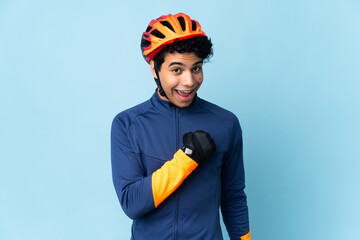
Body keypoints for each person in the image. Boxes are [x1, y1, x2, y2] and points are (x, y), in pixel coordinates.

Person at [111, 13, 251, 240]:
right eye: (177, 70)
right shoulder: (127, 125)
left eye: (196, 68)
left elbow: (233, 196)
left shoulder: (225, 123)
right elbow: (132, 203)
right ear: (155, 69)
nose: (189, 81)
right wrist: (186, 159)